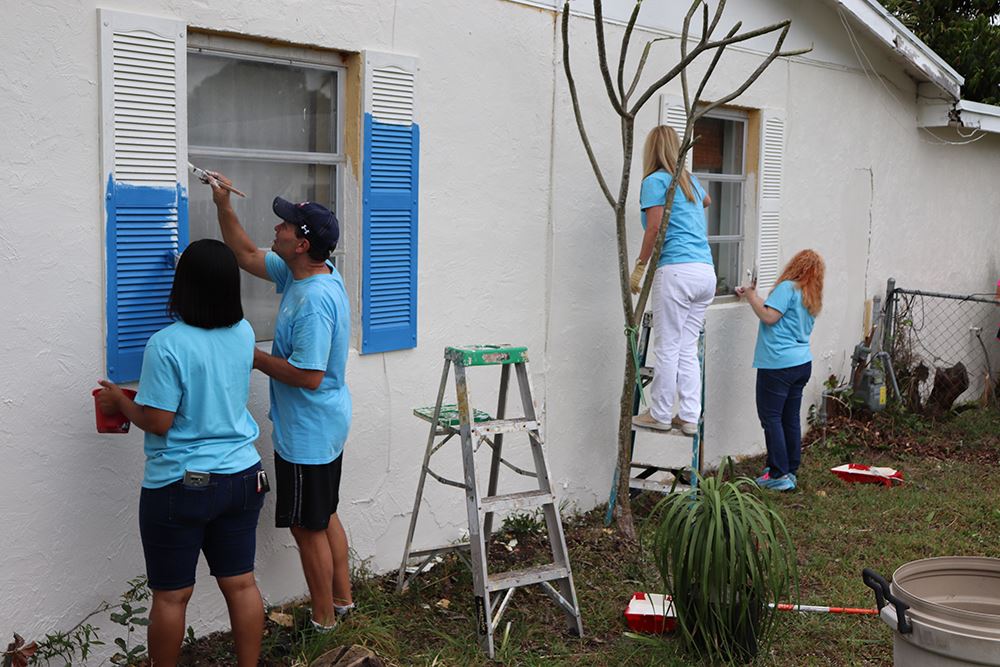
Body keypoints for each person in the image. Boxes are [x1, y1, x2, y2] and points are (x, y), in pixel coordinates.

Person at [96, 239, 265, 666]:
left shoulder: (166, 344)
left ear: (183, 285)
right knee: (241, 584)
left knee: (172, 596)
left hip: (181, 483)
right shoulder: (243, 333)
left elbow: (158, 421)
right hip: (244, 475)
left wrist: (120, 402)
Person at [208, 173, 353, 631]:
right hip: (322, 424)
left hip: (308, 431)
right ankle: (343, 602)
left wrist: (250, 356)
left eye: (286, 225)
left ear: (302, 244)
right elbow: (246, 254)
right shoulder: (312, 271)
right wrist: (222, 204)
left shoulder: (312, 300)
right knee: (323, 513)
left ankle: (324, 622)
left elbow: (309, 376)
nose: (278, 228)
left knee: (306, 527)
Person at [630, 125, 716, 435]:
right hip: (705, 272)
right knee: (686, 347)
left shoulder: (654, 181)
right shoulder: (688, 180)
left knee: (667, 346)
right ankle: (690, 416)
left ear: (651, 151)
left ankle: (661, 414)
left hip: (676, 271)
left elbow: (653, 229)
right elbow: (706, 201)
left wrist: (640, 266)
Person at [735, 249, 825, 492]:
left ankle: (777, 473)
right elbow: (779, 314)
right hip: (801, 363)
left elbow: (769, 316)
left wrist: (751, 295)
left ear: (795, 265)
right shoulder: (810, 294)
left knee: (771, 417)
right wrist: (754, 296)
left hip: (777, 364)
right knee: (789, 418)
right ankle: (789, 469)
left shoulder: (788, 288)